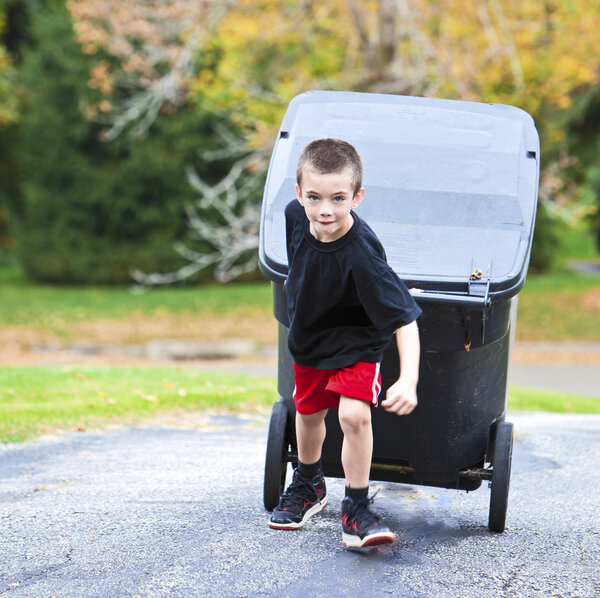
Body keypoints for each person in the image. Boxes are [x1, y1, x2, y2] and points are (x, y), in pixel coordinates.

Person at [268, 138, 422, 548]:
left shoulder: (362, 257)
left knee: (354, 417)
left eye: (338, 198)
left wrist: (407, 380)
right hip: (310, 340)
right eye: (314, 197)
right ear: (298, 193)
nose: (325, 210)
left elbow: (405, 319)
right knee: (309, 413)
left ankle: (355, 509)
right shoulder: (293, 216)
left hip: (356, 346)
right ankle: (308, 483)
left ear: (357, 197)